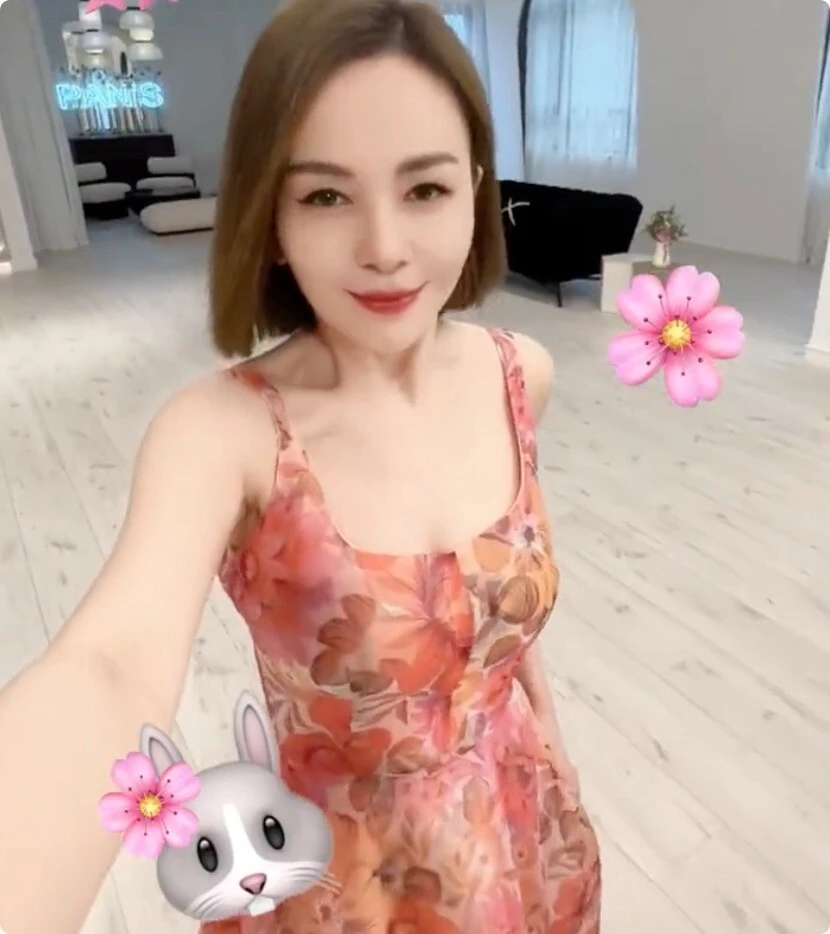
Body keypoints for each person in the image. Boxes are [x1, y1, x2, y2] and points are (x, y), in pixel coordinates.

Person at [0, 0, 601, 932]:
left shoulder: (521, 374)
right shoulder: (225, 435)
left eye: (426, 189)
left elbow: (494, 608)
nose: (385, 249)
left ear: (476, 191)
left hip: (527, 828)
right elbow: (109, 664)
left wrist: (545, 730)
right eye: (326, 196)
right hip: (347, 881)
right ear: (271, 215)